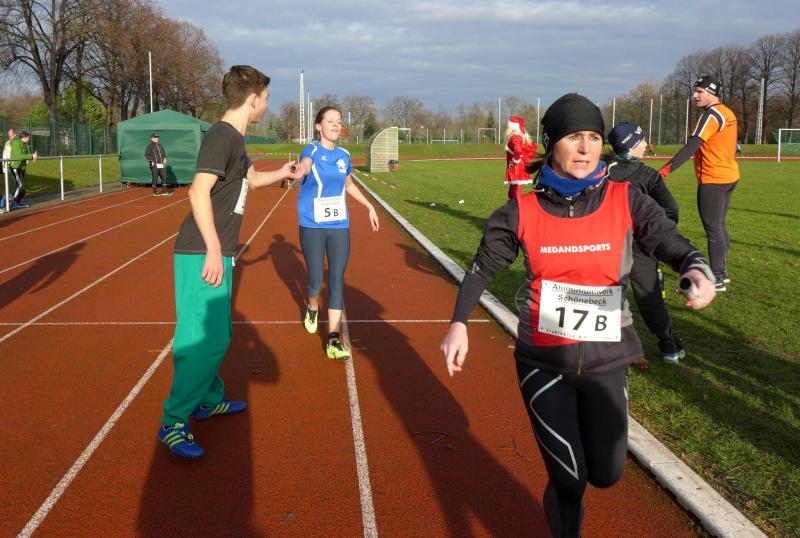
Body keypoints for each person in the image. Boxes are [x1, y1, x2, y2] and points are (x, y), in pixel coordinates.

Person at [440, 93, 717, 537]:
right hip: (544, 361)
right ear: (552, 144)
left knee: (606, 474)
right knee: (569, 480)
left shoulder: (628, 198)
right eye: (573, 137)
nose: (586, 148)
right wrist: (458, 323)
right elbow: (481, 267)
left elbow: (666, 237)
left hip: (607, 358)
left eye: (593, 137)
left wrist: (695, 266)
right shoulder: (520, 211)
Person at [159, 65, 304, 458]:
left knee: (215, 333)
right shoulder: (221, 137)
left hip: (217, 250)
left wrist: (285, 172)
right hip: (200, 251)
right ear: (253, 98)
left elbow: (250, 180)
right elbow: (197, 192)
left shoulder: (235, 140)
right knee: (203, 339)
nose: (267, 105)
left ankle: (208, 400)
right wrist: (212, 248)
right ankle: (174, 421)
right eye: (266, 98)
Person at [295, 105, 380, 360]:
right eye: (330, 120)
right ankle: (312, 307)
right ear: (318, 126)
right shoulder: (311, 150)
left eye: (338, 121)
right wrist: (298, 171)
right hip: (312, 225)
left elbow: (349, 184)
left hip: (339, 226)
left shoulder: (344, 155)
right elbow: (305, 166)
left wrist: (369, 206)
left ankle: (333, 339)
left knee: (336, 280)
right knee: (315, 280)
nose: (335, 124)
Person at [607, 122, 684, 364]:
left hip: (607, 243)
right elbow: (671, 208)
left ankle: (607, 345)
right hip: (641, 244)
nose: (645, 146)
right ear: (632, 145)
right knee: (649, 295)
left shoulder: (601, 170)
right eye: (642, 141)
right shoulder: (648, 175)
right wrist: (657, 233)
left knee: (609, 293)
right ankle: (668, 346)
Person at [658, 75, 739, 291]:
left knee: (713, 229)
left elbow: (691, 146)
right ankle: (722, 271)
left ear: (712, 93)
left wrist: (665, 170)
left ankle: (718, 276)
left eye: (700, 92)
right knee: (719, 226)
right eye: (694, 91)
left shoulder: (711, 115)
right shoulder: (727, 112)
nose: (695, 95)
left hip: (713, 178)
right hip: (730, 176)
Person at [504, 116, 537, 199]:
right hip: (519, 167)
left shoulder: (515, 137)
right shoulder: (521, 136)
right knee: (513, 191)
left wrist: (516, 160)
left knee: (516, 192)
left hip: (516, 168)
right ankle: (513, 204)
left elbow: (518, 151)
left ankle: (516, 205)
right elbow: (532, 149)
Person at [9, 130, 38, 209]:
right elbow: (19, 156)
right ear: (24, 137)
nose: (29, 139)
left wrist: (33, 157)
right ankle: (13, 202)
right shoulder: (16, 143)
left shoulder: (25, 145)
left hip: (21, 167)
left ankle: (19, 201)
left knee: (21, 185)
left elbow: (27, 155)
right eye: (28, 138)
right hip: (15, 167)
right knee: (20, 185)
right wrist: (32, 156)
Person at [1, 128, 14, 211]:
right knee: (7, 183)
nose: (10, 137)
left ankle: (9, 200)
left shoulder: (15, 142)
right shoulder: (8, 143)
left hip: (10, 165)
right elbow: (6, 155)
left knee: (11, 183)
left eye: (11, 135)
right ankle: (4, 202)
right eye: (9, 136)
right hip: (7, 165)